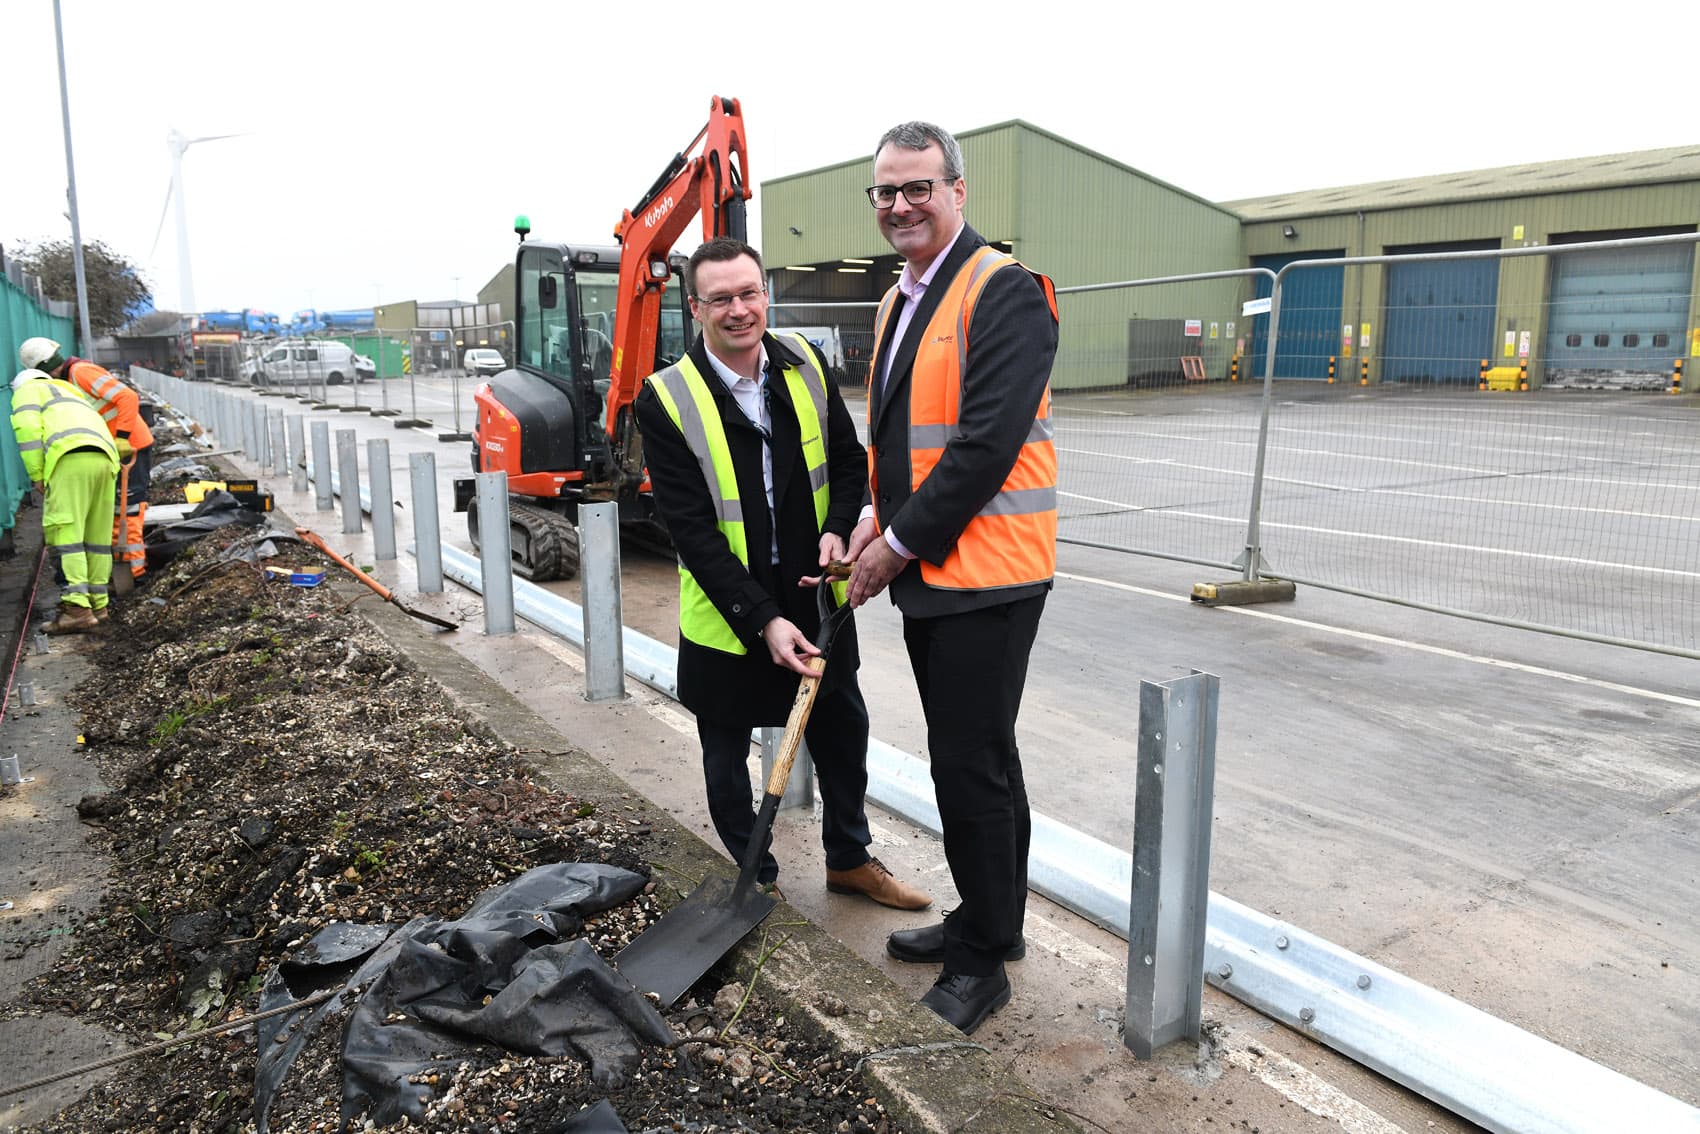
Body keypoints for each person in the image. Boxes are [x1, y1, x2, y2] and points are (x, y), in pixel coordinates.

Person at [633, 236, 931, 911]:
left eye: (749, 293)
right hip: (729, 611)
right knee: (726, 753)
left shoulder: (803, 364)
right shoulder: (667, 398)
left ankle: (849, 860)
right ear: (696, 307)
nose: (739, 310)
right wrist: (760, 619)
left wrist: (838, 526)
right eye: (721, 299)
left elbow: (851, 462)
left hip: (814, 596)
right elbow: (693, 534)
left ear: (765, 294)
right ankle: (755, 877)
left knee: (843, 732)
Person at [845, 121, 1060, 1035]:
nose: (900, 205)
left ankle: (981, 967)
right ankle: (990, 922)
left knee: (968, 767)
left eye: (918, 188)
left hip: (988, 575)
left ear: (958, 190)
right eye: (886, 191)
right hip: (940, 570)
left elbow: (982, 447)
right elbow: (897, 436)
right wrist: (869, 515)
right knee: (985, 760)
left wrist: (894, 544)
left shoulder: (1002, 290)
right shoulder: (901, 299)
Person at [18, 337, 154, 580]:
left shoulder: (81, 373)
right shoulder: (69, 380)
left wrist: (121, 437)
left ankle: (136, 573)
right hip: (114, 449)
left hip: (129, 446)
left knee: (128, 512)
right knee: (116, 512)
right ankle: (124, 570)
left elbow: (128, 397)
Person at [9, 368, 121, 633]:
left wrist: (37, 474)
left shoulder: (27, 390)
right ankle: (99, 605)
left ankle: (77, 609)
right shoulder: (69, 391)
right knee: (97, 538)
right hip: (105, 458)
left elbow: (27, 431)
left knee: (67, 535)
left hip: (69, 459)